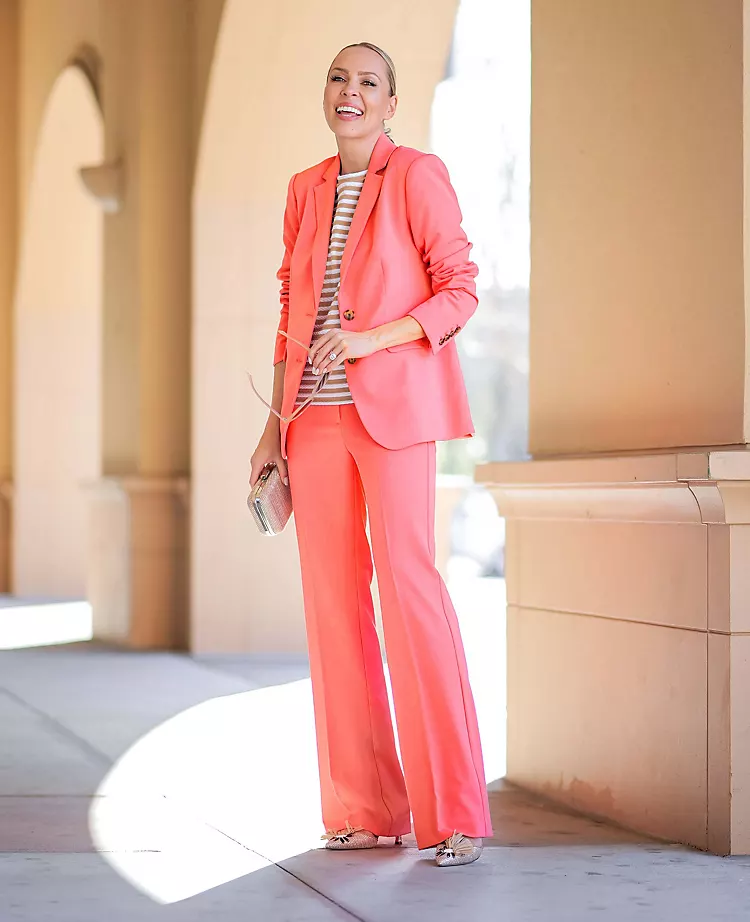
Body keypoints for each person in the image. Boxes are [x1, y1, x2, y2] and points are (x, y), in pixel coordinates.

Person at [250, 41, 492, 867]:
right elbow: (291, 312)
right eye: (338, 77)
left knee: (410, 593)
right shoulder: (305, 189)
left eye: (368, 82)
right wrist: (273, 427)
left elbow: (460, 289)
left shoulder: (417, 175)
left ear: (390, 103)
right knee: (333, 606)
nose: (349, 91)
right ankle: (365, 807)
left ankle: (454, 814)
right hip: (312, 421)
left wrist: (370, 340)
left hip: (395, 414)